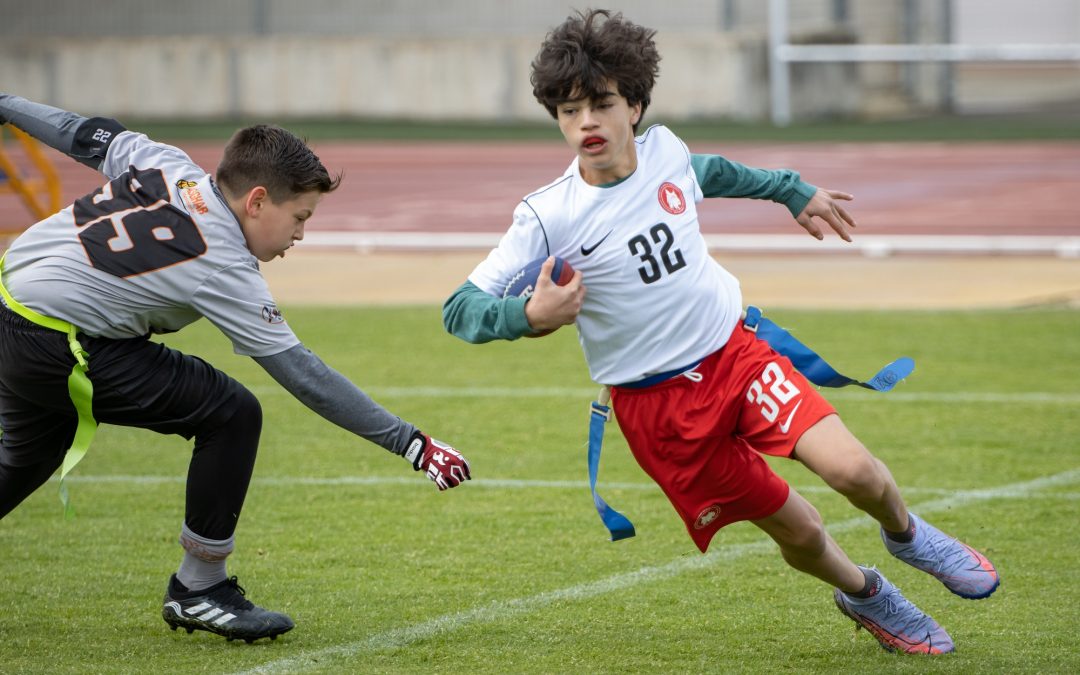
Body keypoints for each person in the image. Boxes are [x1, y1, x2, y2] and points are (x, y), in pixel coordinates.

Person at [443, 9, 997, 655]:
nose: (586, 122)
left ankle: (907, 534)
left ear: (636, 103)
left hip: (735, 357)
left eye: (601, 103)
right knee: (802, 529)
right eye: (568, 111)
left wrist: (791, 189)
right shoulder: (546, 215)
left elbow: (712, 171)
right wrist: (527, 316)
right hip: (660, 413)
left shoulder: (666, 152)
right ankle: (867, 593)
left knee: (855, 472)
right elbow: (460, 306)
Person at [0, 94, 471, 643]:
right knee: (231, 412)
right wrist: (411, 444)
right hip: (56, 338)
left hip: (13, 308)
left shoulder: (166, 163)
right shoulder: (222, 260)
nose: (301, 234)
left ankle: (198, 588)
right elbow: (305, 376)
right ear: (256, 201)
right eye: (300, 217)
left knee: (25, 460)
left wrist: (6, 103)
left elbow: (80, 132)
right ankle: (199, 588)